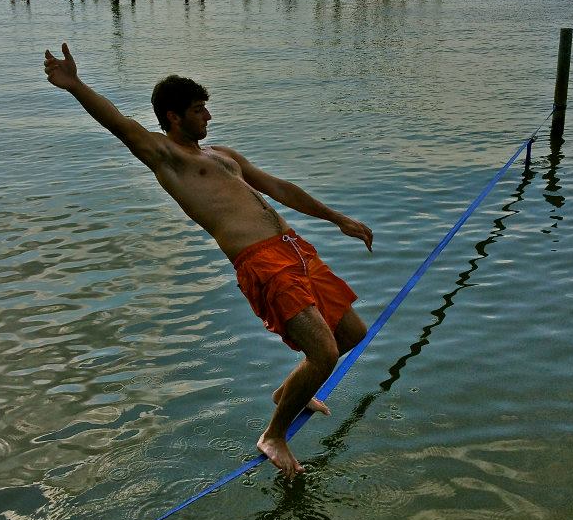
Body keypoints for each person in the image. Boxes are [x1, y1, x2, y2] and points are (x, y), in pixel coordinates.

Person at [43, 43, 372, 479]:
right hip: (262, 262)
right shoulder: (167, 157)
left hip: (295, 249)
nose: (209, 116)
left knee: (352, 333)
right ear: (174, 117)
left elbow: (279, 187)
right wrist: (75, 85)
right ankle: (274, 434)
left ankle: (290, 391)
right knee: (324, 352)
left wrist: (337, 218)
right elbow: (120, 125)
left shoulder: (223, 155)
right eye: (199, 110)